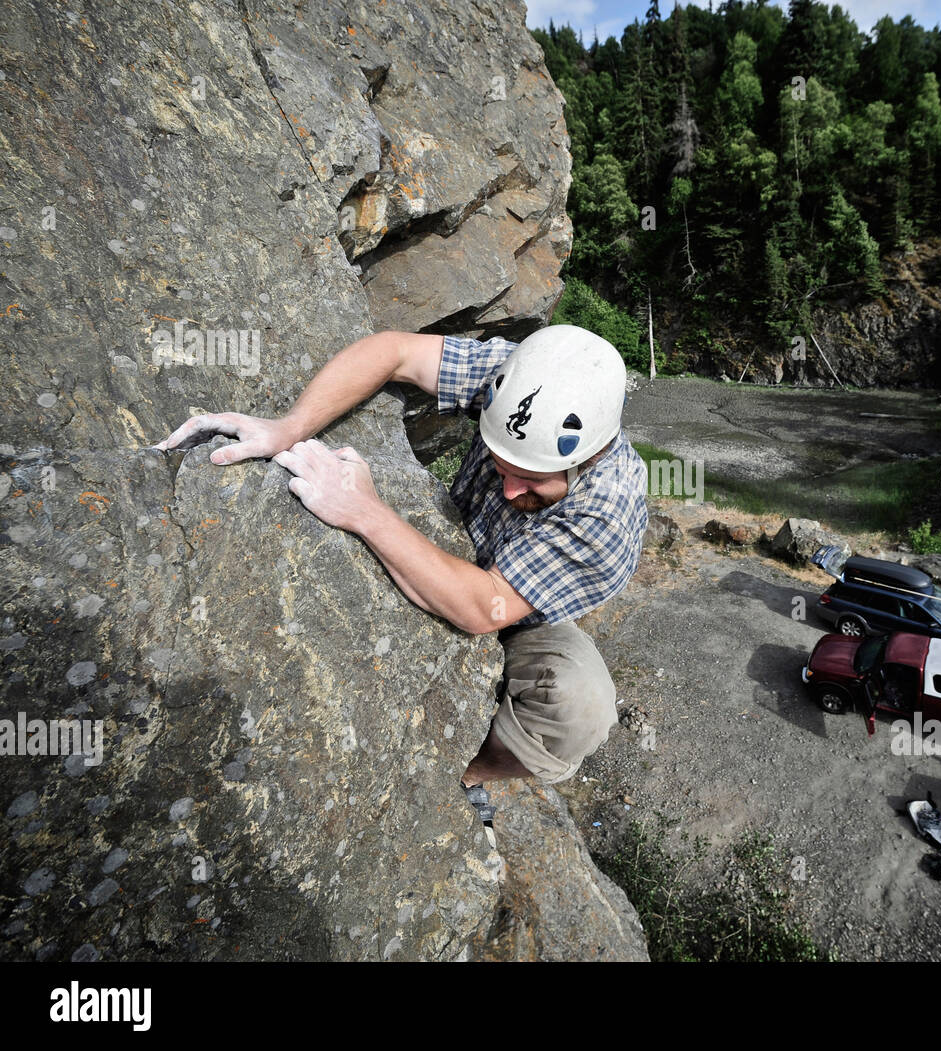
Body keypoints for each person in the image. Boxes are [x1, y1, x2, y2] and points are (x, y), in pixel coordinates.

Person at [153, 324, 649, 842]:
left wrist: (362, 510)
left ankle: (465, 775)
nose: (508, 488)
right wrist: (291, 427)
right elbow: (395, 351)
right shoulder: (527, 382)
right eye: (504, 465)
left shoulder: (606, 512)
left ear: (586, 457)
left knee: (581, 708)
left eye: (531, 480)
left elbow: (487, 607)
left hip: (521, 607)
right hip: (466, 542)